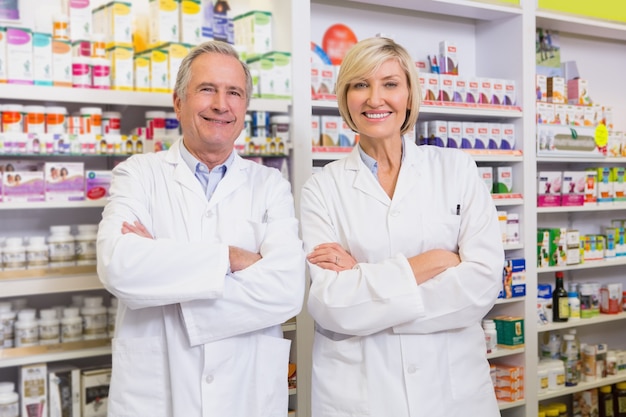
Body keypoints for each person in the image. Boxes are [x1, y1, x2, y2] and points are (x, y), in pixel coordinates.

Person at [97, 40, 305, 417]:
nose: (220, 105)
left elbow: (287, 290)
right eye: (207, 89)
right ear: (179, 101)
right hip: (158, 395)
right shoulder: (138, 174)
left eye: (234, 93)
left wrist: (163, 265)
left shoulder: (270, 185)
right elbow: (119, 266)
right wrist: (233, 258)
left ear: (244, 107)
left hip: (246, 394)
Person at [300, 37, 504, 417]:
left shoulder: (456, 169)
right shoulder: (321, 188)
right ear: (345, 98)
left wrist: (365, 286)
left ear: (409, 95)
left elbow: (483, 284)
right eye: (360, 84)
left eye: (390, 84)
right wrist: (436, 261)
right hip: (363, 397)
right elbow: (332, 305)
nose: (375, 98)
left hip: (453, 392)